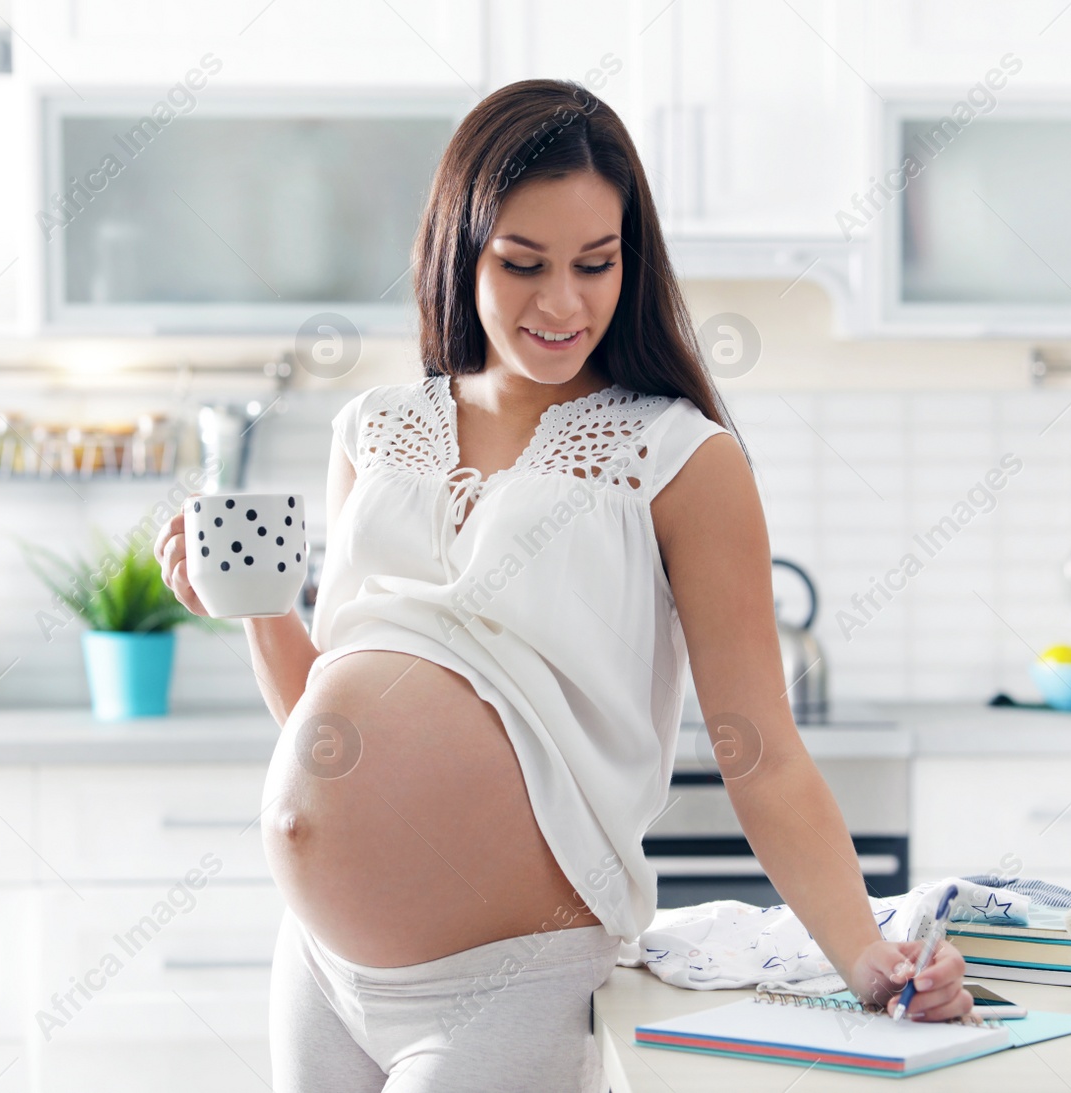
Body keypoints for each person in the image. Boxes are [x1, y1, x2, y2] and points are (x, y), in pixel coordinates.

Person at [155, 77, 970, 1093]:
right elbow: (319, 724)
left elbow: (757, 749)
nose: (563, 303)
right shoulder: (374, 428)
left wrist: (868, 956)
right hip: (320, 966)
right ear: (462, 250)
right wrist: (258, 607)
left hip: (508, 984)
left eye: (596, 263)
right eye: (522, 263)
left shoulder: (676, 456)